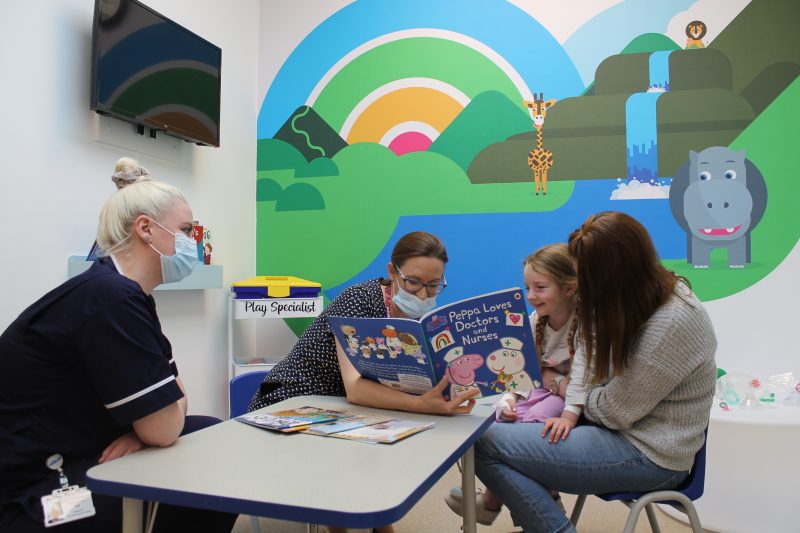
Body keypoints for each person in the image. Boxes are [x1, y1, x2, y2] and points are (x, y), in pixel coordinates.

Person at [0, 158, 237, 532]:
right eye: (186, 230)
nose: (193, 243)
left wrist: (147, 434)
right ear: (146, 229)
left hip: (80, 451)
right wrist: (151, 433)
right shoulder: (111, 299)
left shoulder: (119, 292)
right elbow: (163, 425)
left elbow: (174, 407)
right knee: (202, 464)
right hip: (37, 493)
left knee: (209, 434)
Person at [467, 211, 717, 533]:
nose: (581, 288)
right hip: (619, 430)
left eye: (585, 278)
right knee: (486, 438)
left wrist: (559, 384)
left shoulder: (672, 322)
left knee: (482, 443)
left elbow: (615, 412)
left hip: (650, 453)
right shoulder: (638, 298)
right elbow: (597, 379)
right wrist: (572, 390)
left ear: (614, 275)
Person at [247, 230, 479, 533]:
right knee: (355, 454)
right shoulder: (360, 301)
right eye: (413, 282)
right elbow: (356, 387)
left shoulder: (416, 319)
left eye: (434, 286)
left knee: (399, 439)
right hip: (293, 399)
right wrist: (423, 403)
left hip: (341, 404)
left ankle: (374, 522)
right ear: (392, 272)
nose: (423, 295)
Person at [446, 243, 589, 524]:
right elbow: (522, 372)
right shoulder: (536, 320)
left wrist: (570, 417)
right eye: (527, 288)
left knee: (533, 423)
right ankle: (531, 500)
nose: (531, 296)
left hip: (568, 401)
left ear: (569, 288)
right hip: (542, 392)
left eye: (540, 287)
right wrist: (508, 400)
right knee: (495, 425)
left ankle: (497, 500)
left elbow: (582, 380)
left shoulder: (585, 324)